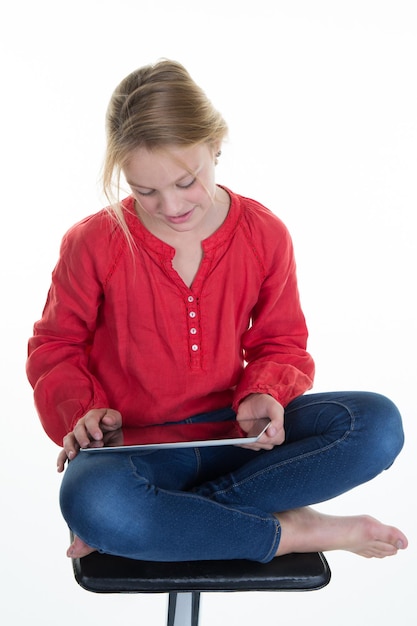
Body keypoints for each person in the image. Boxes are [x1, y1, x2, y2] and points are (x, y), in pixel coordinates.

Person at [27, 59, 408, 563]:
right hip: (135, 453)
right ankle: (291, 530)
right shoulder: (94, 242)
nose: (171, 206)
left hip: (240, 444)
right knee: (95, 500)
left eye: (186, 181)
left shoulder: (264, 234)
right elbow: (55, 346)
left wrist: (264, 393)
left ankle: (163, 524)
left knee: (376, 424)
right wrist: (84, 413)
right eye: (145, 192)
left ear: (215, 144)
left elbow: (281, 342)